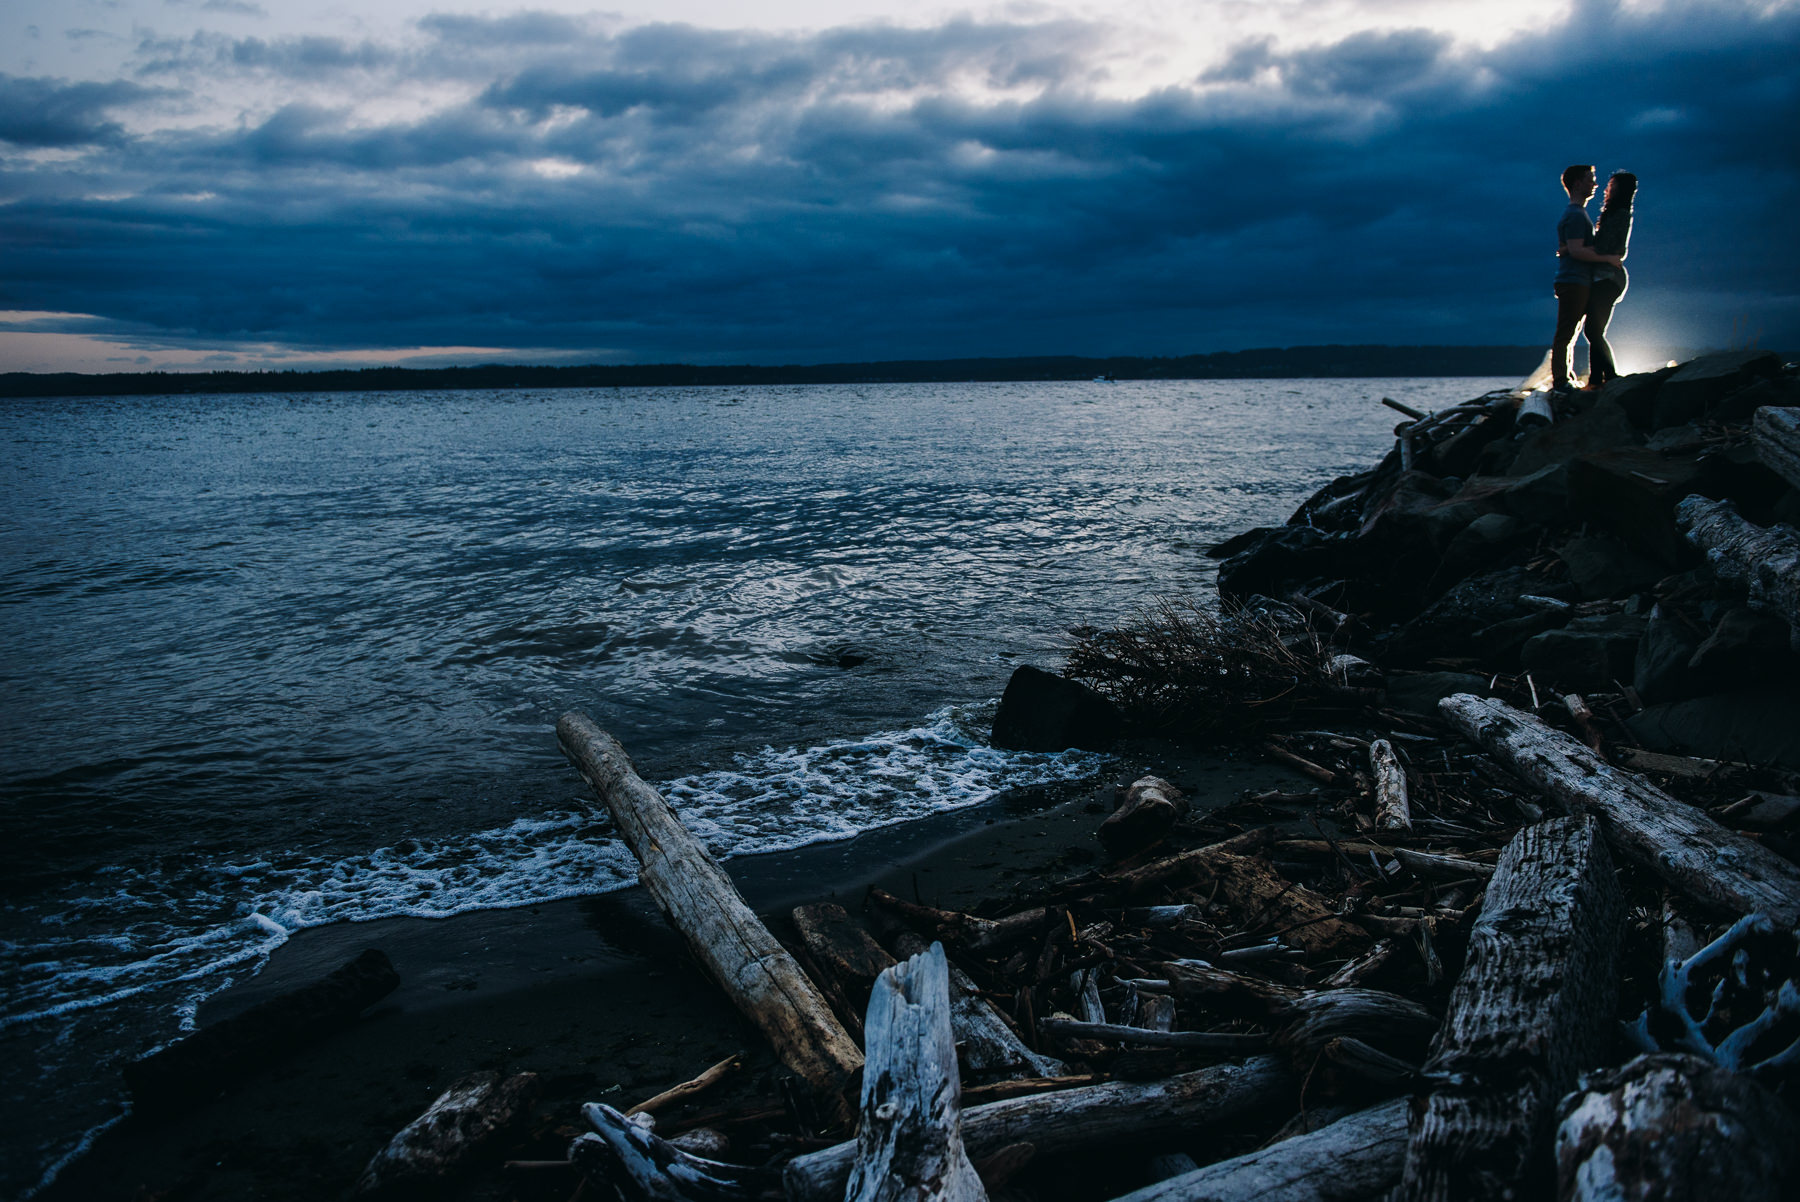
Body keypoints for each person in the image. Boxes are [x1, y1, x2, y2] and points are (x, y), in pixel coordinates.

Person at [1549, 164, 1624, 395]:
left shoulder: (1578, 214)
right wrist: (1609, 258)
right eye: (1591, 179)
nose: (1595, 184)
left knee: (1573, 332)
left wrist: (1568, 249)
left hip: (1579, 281)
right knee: (1566, 332)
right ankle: (1561, 381)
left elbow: (1570, 248)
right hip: (1573, 281)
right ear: (1577, 184)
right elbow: (1577, 250)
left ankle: (1568, 378)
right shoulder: (1574, 215)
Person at [1584, 171, 1637, 389]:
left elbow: (1611, 248)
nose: (1607, 188)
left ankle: (1608, 375)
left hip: (1609, 278)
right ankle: (1597, 378)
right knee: (1594, 330)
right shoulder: (1613, 213)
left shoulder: (1621, 214)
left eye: (1612, 185)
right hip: (1603, 278)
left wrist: (1579, 248)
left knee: (1593, 330)